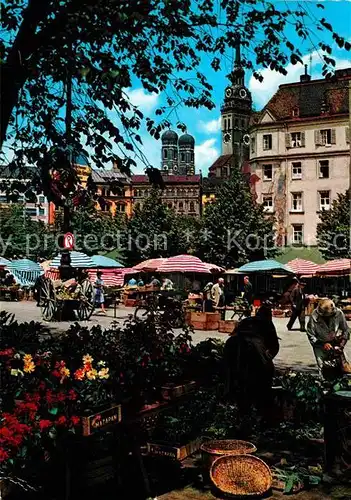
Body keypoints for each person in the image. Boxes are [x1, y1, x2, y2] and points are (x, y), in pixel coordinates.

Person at [224, 304, 279, 430]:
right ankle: (253, 412)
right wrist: (267, 359)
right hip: (248, 348)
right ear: (269, 316)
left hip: (232, 346)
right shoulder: (267, 323)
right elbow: (274, 347)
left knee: (235, 376)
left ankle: (236, 404)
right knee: (260, 379)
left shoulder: (246, 320)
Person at [306, 299, 350, 378]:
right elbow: (311, 335)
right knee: (323, 368)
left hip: (335, 343)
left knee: (342, 369)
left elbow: (346, 330)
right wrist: (323, 344)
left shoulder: (339, 313)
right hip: (319, 344)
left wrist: (341, 345)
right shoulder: (314, 315)